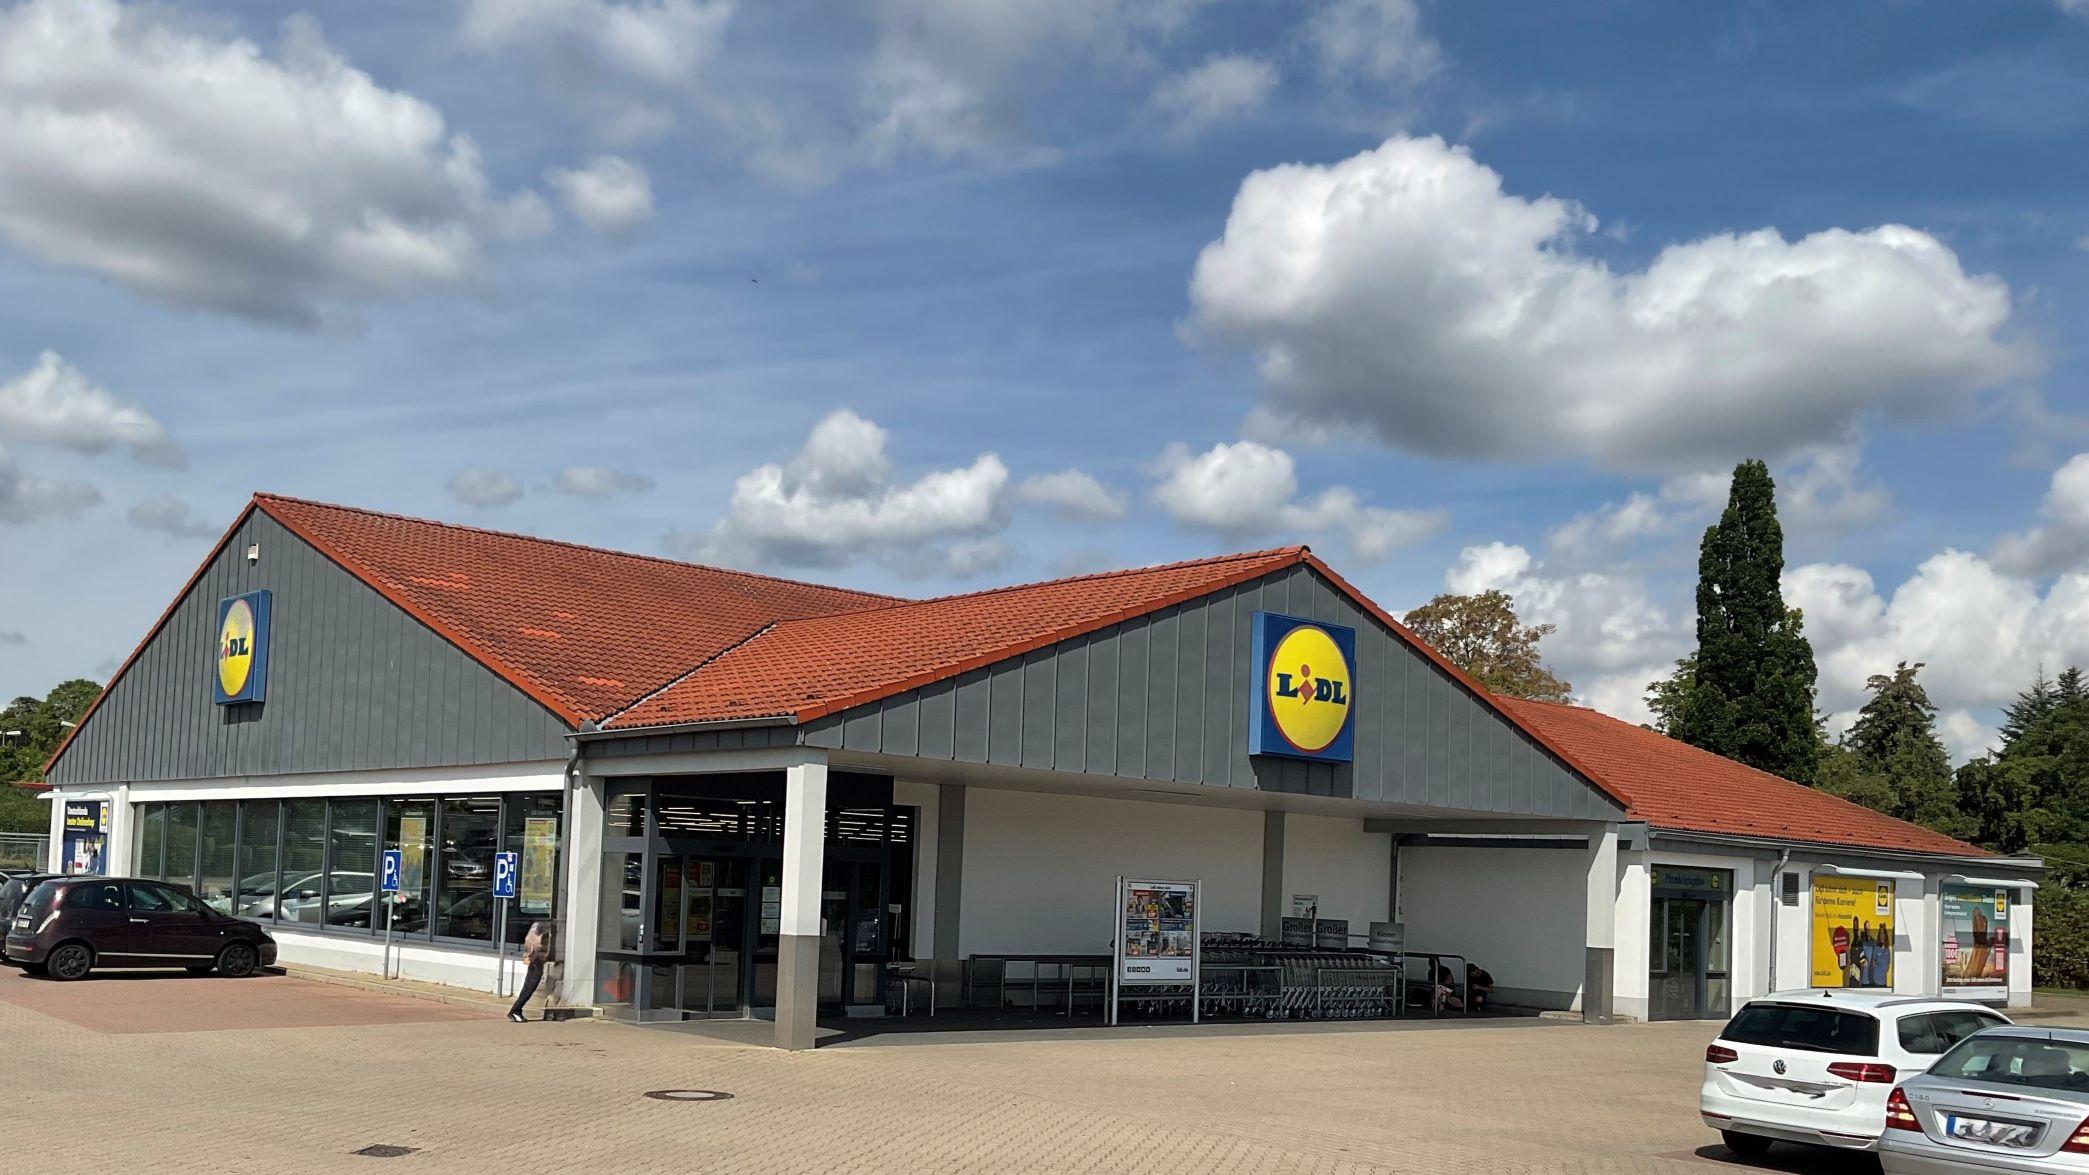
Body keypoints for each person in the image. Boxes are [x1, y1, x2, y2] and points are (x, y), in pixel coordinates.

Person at [508, 921, 551, 1023]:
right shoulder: (541, 933)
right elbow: (540, 947)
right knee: (530, 987)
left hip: (534, 961)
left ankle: (515, 1010)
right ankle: (515, 1011)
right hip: (537, 962)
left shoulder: (534, 932)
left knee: (527, 987)